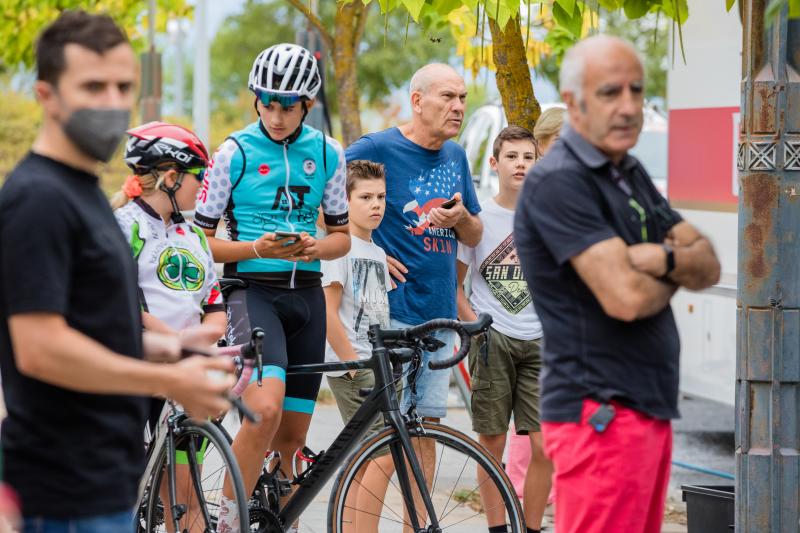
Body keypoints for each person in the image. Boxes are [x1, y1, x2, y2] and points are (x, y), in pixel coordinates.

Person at [0, 11, 234, 532]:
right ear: (46, 95)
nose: (111, 102)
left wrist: (181, 349)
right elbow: (40, 350)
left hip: (104, 482)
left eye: (123, 87)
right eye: (92, 86)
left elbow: (102, 332)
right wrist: (168, 378)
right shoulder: (39, 199)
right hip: (60, 491)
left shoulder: (85, 195)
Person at [514, 35, 721, 533]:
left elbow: (709, 263)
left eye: (637, 90)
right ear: (573, 102)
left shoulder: (628, 170)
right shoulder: (560, 180)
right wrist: (677, 267)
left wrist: (659, 258)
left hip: (642, 408)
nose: (628, 106)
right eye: (610, 92)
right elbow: (626, 298)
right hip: (600, 414)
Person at [194, 43, 350, 531]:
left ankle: (278, 523)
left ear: (308, 104)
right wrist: (256, 249)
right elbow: (199, 243)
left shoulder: (328, 152)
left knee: (291, 440)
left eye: (288, 106)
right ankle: (229, 522)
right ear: (255, 99)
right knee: (263, 410)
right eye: (267, 104)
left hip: (307, 296)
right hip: (250, 292)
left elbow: (343, 237)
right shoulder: (233, 152)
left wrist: (315, 246)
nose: (276, 116)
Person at [345, 65, 482, 507]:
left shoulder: (456, 156)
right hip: (391, 314)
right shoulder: (376, 148)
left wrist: (461, 217)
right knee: (383, 439)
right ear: (417, 101)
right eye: (448, 97)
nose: (458, 107)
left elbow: (474, 234)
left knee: (426, 430)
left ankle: (418, 525)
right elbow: (329, 202)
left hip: (439, 317)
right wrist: (365, 249)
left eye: (462, 98)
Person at [112, 121, 226, 533]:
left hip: (184, 367)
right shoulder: (123, 225)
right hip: (136, 364)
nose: (204, 187)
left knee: (186, 494)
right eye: (199, 176)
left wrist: (198, 341)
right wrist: (174, 340)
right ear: (172, 177)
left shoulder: (194, 235)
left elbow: (215, 309)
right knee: (120, 494)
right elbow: (127, 303)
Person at [456, 125, 551, 533]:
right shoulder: (478, 220)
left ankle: (531, 528)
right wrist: (475, 329)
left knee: (546, 447)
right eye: (512, 157)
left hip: (540, 343)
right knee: (492, 444)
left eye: (528, 157)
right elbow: (454, 285)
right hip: (493, 340)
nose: (520, 164)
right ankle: (497, 528)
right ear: (495, 163)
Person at [322, 160, 395, 533]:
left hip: (377, 364)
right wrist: (352, 365)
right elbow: (328, 312)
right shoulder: (340, 249)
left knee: (366, 459)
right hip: (354, 366)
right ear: (344, 201)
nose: (376, 205)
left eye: (380, 197)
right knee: (383, 454)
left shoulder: (376, 252)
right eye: (365, 197)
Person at [505, 106, 565, 504]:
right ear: (541, 144)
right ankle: (516, 497)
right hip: (525, 322)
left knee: (552, 425)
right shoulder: (533, 192)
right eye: (559, 142)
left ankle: (545, 502)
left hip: (561, 325)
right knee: (527, 428)